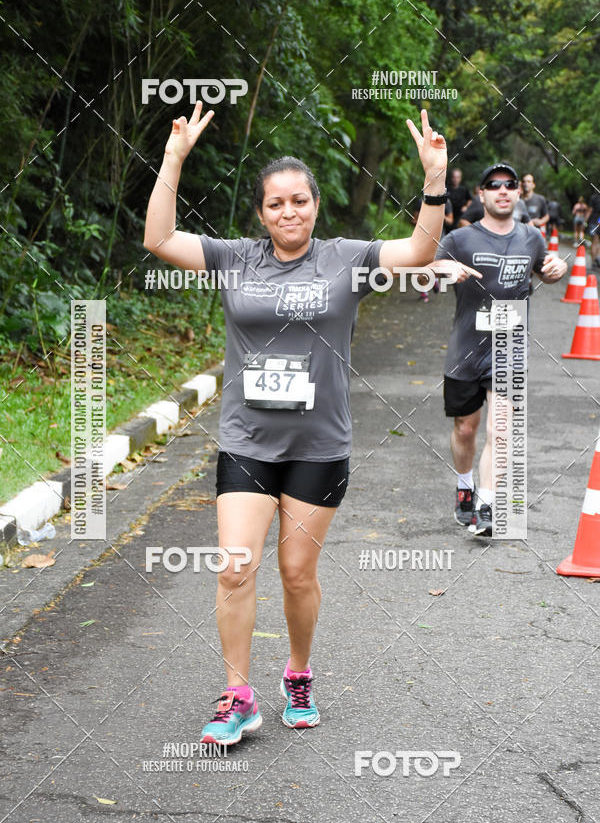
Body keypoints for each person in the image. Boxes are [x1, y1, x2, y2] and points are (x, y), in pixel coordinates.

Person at [144, 103, 449, 744]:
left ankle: (299, 674)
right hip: (248, 442)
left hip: (318, 445)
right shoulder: (236, 259)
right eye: (276, 204)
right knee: (234, 567)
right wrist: (173, 159)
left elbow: (422, 249)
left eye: (300, 202)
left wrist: (434, 179)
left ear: (315, 206)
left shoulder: (345, 260)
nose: (289, 213)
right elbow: (159, 241)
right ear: (261, 213)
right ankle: (237, 696)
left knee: (297, 574)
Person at [422, 163, 567, 536]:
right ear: (481, 194)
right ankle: (465, 486)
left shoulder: (531, 238)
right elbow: (424, 269)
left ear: (518, 193)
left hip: (510, 347)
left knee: (500, 430)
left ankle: (486, 506)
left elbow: (545, 268)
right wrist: (442, 272)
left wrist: (557, 270)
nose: (502, 190)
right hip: (465, 349)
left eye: (510, 185)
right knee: (466, 429)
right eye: (493, 185)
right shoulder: (460, 238)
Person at [585, 190, 600, 269]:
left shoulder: (594, 197)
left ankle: (594, 261)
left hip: (594, 221)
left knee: (594, 242)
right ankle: (598, 258)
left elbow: (590, 210)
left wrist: (585, 221)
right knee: (598, 242)